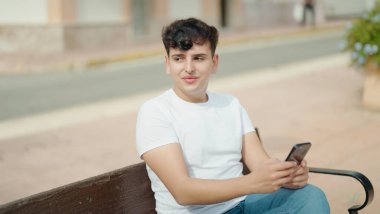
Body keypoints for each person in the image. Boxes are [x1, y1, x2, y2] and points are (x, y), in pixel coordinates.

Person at [136, 18, 329, 214]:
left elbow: (259, 162)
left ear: (214, 63)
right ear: (167, 64)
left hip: (242, 204)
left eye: (198, 58)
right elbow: (183, 191)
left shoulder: (230, 104)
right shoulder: (155, 111)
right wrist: (251, 183)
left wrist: (286, 176)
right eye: (179, 58)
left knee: (310, 196)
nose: (189, 68)